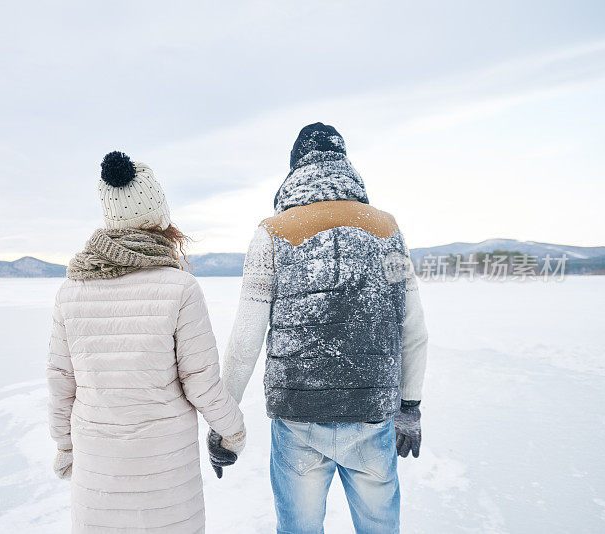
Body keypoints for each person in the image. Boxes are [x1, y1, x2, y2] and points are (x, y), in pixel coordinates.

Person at [209, 123, 429, 533]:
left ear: (296, 169)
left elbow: (245, 341)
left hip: (299, 419)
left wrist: (225, 424)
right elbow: (413, 328)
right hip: (371, 415)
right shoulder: (387, 230)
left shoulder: (272, 233)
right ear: (345, 165)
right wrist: (410, 407)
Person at [46, 151, 246, 533]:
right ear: (159, 214)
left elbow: (60, 382)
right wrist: (232, 430)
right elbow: (201, 380)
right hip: (165, 470)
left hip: (98, 468)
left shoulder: (71, 291)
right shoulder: (180, 287)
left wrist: (65, 446)